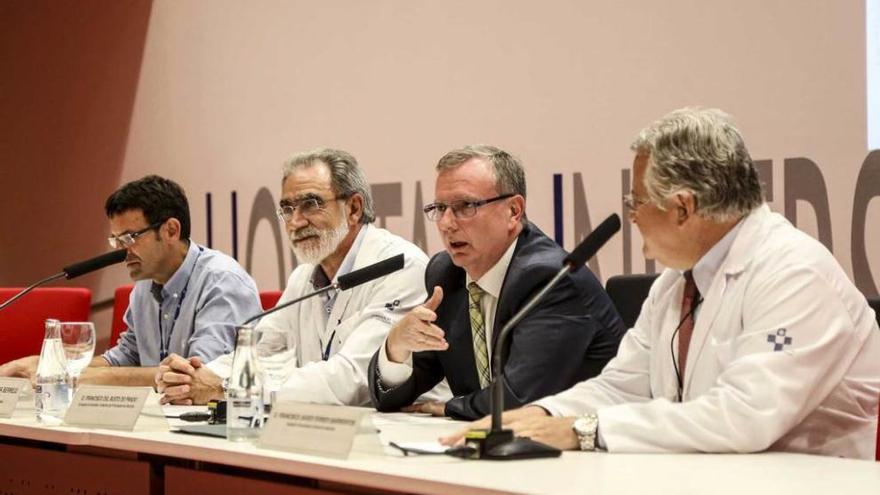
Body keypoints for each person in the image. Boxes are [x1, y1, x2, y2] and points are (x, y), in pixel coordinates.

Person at [444, 108, 880, 459]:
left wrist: (581, 430)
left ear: (683, 207)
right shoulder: (677, 280)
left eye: (637, 200)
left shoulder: (795, 273)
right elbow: (621, 384)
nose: (631, 215)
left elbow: (745, 416)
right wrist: (534, 415)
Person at [155, 148, 441, 406]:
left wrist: (226, 386)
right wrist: (193, 376)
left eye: (311, 204)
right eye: (287, 209)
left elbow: (354, 379)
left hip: (406, 433)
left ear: (353, 208)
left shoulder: (400, 267)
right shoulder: (304, 275)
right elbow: (262, 352)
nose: (295, 222)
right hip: (324, 431)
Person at [368, 145, 625, 420]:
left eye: (465, 206)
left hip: (590, 448)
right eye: (440, 208)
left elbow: (519, 400)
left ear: (514, 211)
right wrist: (397, 346)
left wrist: (449, 407)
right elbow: (392, 396)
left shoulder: (550, 279)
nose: (446, 223)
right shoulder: (446, 274)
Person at [0, 175, 262, 386]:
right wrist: (48, 364)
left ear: (171, 230)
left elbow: (196, 377)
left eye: (130, 238)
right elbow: (126, 357)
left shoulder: (223, 282)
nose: (122, 251)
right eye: (116, 240)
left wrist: (82, 377)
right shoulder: (145, 285)